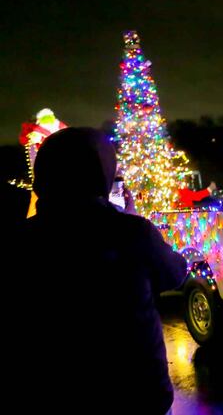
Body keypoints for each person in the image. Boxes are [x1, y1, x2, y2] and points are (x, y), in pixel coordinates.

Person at [10, 127, 187, 413]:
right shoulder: (130, 232)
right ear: (101, 173)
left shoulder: (21, 241)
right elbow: (175, 274)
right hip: (135, 393)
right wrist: (131, 221)